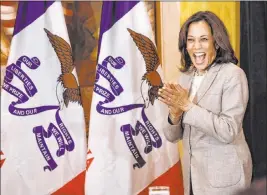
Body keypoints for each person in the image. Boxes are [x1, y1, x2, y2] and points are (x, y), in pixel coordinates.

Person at [158, 11, 252, 195]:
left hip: (225, 179)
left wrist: (187, 106)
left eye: (203, 39)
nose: (196, 47)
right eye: (191, 40)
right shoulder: (185, 78)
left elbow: (228, 130)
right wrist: (175, 114)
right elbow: (172, 136)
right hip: (193, 179)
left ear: (216, 43)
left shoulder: (232, 75)